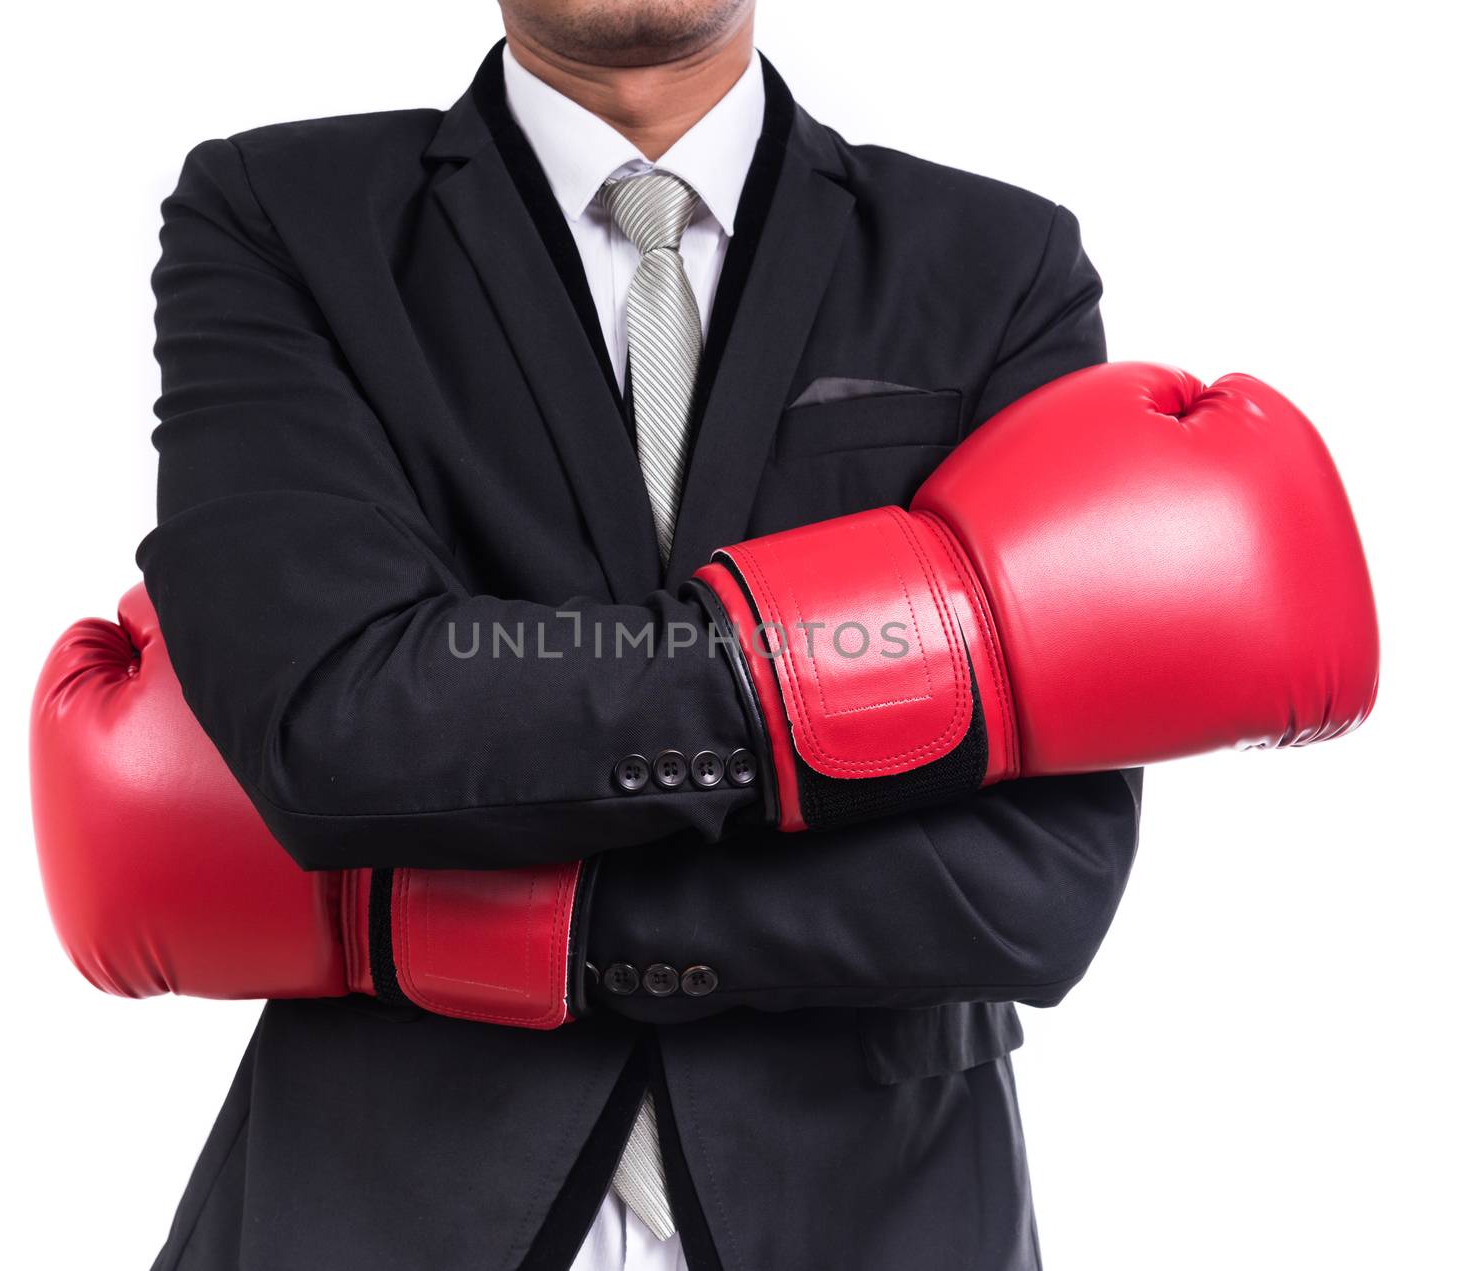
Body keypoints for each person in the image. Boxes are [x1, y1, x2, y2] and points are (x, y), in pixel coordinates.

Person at [141, 2, 1143, 1267]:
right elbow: (338, 721)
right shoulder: (280, 215)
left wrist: (482, 909)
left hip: (878, 1212)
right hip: (383, 1200)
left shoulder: (1000, 263)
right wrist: (845, 677)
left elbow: (1033, 882)